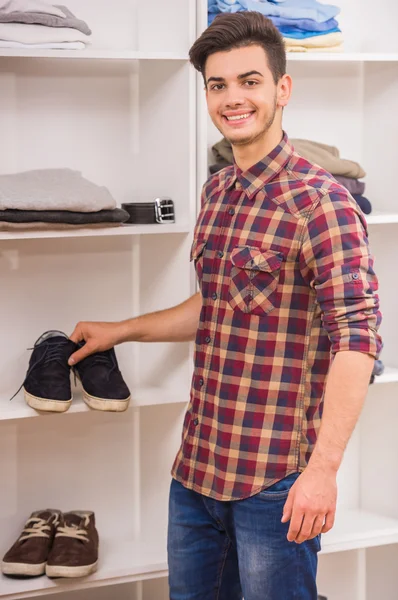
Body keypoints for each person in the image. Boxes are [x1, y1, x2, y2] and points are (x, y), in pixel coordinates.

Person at [68, 11, 382, 600]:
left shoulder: (323, 204)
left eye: (249, 81)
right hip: (197, 470)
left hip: (274, 483)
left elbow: (357, 342)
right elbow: (218, 305)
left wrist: (323, 472)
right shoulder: (218, 191)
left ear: (282, 89)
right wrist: (123, 331)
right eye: (218, 85)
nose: (232, 98)